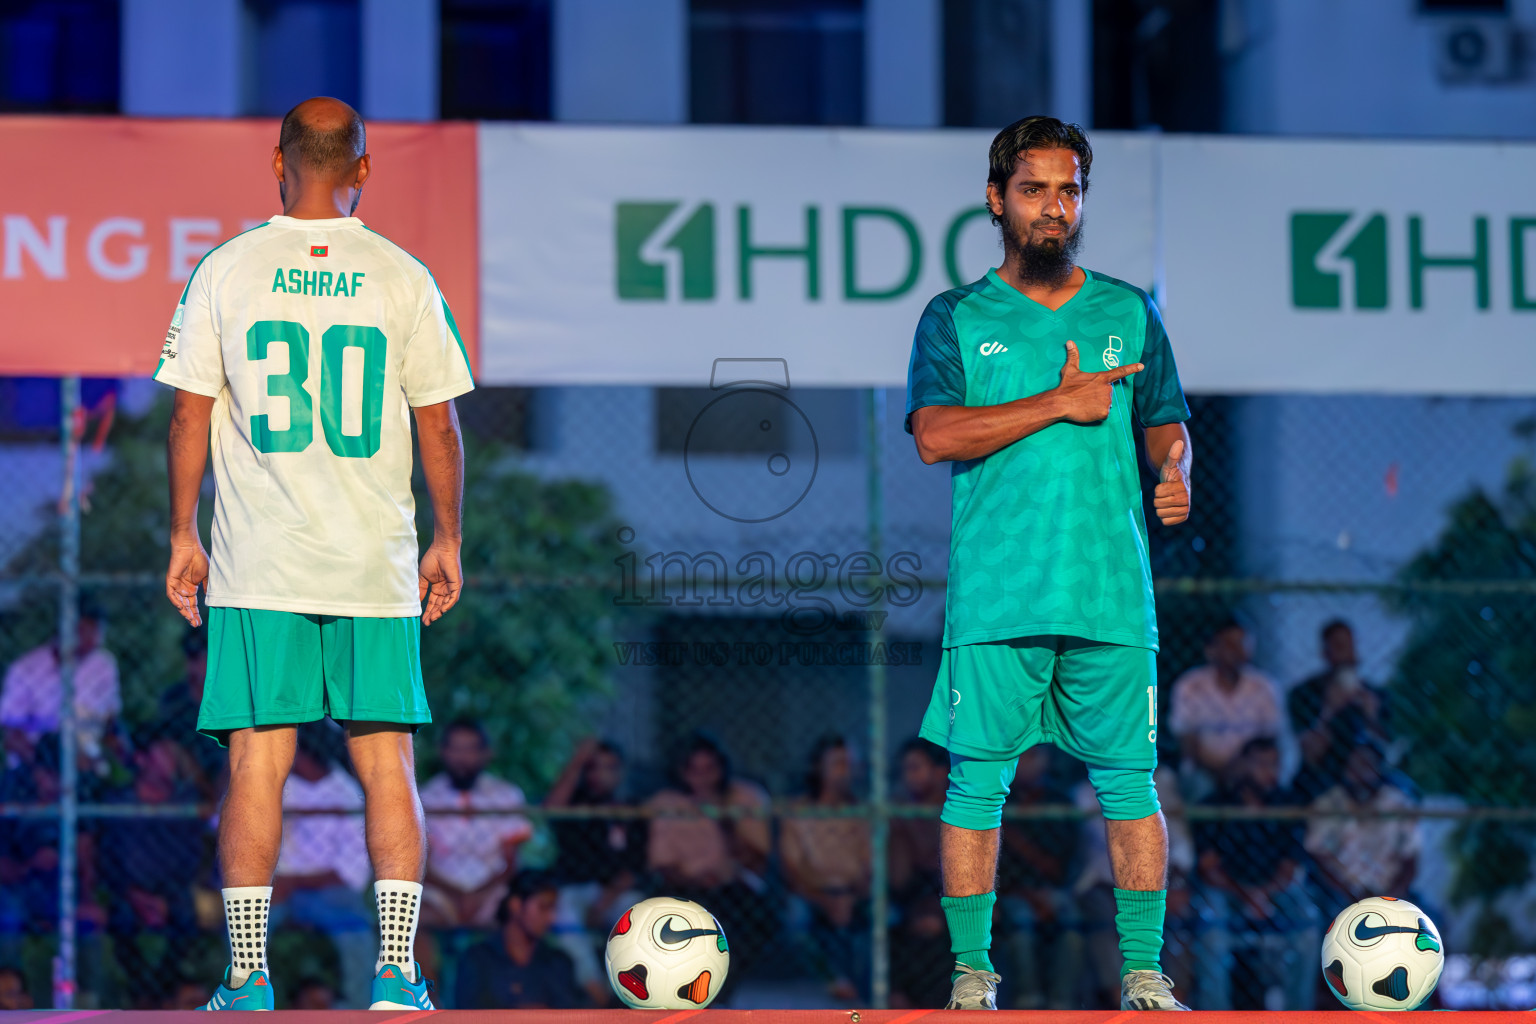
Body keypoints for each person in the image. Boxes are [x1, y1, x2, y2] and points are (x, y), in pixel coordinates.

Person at [155, 95, 472, 1011]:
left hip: (262, 564)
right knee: (387, 764)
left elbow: (188, 413)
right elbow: (439, 425)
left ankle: (247, 978)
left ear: (277, 160)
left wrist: (182, 536)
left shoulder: (226, 268)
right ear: (364, 168)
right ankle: (397, 976)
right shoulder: (403, 274)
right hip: (374, 563)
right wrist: (447, 538)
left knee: (258, 762)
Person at [905, 116, 1194, 1011]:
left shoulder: (1127, 310)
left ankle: (1143, 974)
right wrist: (1056, 402)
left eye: (1068, 191)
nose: (1053, 209)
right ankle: (971, 977)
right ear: (997, 201)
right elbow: (935, 436)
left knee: (1129, 784)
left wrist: (1176, 469)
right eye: (1034, 191)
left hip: (1110, 594)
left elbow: (1165, 425)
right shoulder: (954, 317)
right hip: (999, 597)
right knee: (976, 785)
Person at [645, 733, 773, 1000]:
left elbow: (758, 860)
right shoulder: (667, 804)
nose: (702, 779)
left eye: (710, 770)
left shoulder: (743, 798)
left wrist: (724, 819)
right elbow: (663, 866)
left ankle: (721, 994)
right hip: (686, 887)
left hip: (734, 885)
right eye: (693, 770)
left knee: (750, 916)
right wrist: (695, 881)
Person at [1192, 737, 1316, 1010]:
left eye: (1274, 765)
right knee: (1211, 928)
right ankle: (1216, 1015)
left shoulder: (1288, 805)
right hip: (1227, 890)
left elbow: (1289, 867)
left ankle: (1300, 1014)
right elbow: (1209, 867)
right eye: (1261, 764)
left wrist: (1264, 894)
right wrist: (1247, 896)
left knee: (1307, 920)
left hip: (1273, 890)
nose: (1269, 772)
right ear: (1243, 766)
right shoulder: (1215, 804)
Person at [95, 732, 208, 1008]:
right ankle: (141, 990)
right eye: (161, 755)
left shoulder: (185, 801)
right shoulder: (118, 802)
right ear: (141, 760)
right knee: (120, 918)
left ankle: (162, 989)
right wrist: (135, 895)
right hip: (129, 889)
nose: (169, 764)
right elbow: (107, 858)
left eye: (172, 756)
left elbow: (192, 858)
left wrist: (164, 898)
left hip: (171, 890)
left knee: (186, 915)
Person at [269, 723, 375, 1009]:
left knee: (356, 929)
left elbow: (352, 874)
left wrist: (293, 883)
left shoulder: (348, 793)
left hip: (328, 892)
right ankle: (245, 1009)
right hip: (273, 888)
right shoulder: (271, 783)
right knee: (241, 923)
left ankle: (359, 1009)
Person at [545, 737, 646, 1005]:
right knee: (562, 914)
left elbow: (636, 868)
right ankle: (599, 996)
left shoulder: (632, 808)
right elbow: (550, 810)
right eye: (594, 767)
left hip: (614, 894)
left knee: (638, 912)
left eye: (610, 767)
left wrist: (603, 904)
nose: (602, 774)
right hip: (573, 888)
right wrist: (578, 759)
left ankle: (632, 993)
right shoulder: (574, 802)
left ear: (621, 771)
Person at [779, 734, 872, 1002]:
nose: (847, 771)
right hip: (813, 892)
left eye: (851, 764)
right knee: (796, 918)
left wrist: (851, 898)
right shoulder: (797, 811)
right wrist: (824, 900)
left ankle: (868, 991)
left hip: (853, 892)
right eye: (838, 763)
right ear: (820, 767)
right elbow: (792, 871)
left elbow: (871, 867)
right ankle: (834, 981)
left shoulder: (864, 813)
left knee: (885, 917)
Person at [419, 720, 533, 929]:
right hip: (439, 890)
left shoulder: (505, 794)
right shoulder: (425, 796)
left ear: (485, 753)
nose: (462, 758)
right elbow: (420, 864)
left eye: (470, 749)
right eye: (455, 749)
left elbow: (511, 863)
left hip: (493, 889)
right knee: (414, 919)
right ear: (443, 752)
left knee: (512, 912)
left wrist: (478, 895)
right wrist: (457, 895)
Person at [996, 746, 1081, 1009]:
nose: (1027, 763)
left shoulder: (1059, 801)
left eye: (1034, 755)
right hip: (1009, 894)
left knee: (1072, 924)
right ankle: (1027, 1004)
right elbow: (994, 871)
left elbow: (1056, 868)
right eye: (1021, 755)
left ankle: (1061, 1005)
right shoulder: (996, 798)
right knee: (1020, 921)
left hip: (1051, 890)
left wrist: (1013, 835)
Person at [1169, 620, 1284, 796]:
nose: (1237, 650)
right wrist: (1218, 771)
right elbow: (1187, 740)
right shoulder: (1190, 685)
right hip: (1204, 769)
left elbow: (1269, 739)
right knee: (1199, 786)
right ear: (1211, 650)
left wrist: (1243, 767)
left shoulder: (1264, 686)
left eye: (1242, 644)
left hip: (1250, 768)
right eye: (1229, 644)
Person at [0, 597, 120, 764]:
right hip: (35, 767)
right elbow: (12, 734)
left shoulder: (103, 666)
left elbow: (110, 719)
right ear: (65, 628)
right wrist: (49, 765)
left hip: (87, 762)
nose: (92, 641)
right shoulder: (25, 670)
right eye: (85, 631)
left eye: (97, 633)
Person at [1304, 740, 1419, 907]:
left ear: (1378, 770)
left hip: (1390, 892)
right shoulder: (1328, 804)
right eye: (1353, 766)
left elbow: (1410, 861)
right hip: (1339, 893)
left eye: (1366, 765)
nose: (1359, 773)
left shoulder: (1399, 804)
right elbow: (1318, 858)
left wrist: (1389, 896)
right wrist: (1350, 894)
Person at [1289, 620, 1389, 801]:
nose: (1348, 655)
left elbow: (1387, 749)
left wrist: (1371, 716)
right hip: (1322, 776)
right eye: (1340, 647)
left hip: (1366, 776)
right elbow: (1310, 754)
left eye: (1351, 646)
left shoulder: (1375, 695)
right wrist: (1329, 710)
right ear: (1325, 654)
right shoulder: (1303, 694)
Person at [455, 870, 583, 1009]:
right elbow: (469, 1014)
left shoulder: (558, 962)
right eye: (543, 907)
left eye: (553, 909)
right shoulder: (478, 959)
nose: (551, 918)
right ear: (516, 905)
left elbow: (570, 1012)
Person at [887, 738, 953, 1009]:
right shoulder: (900, 812)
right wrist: (901, 832)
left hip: (952, 899)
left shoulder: (962, 809)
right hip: (911, 898)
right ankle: (898, 1001)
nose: (908, 778)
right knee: (893, 921)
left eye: (915, 768)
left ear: (939, 772)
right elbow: (898, 879)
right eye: (905, 770)